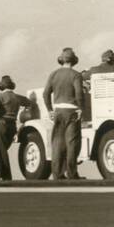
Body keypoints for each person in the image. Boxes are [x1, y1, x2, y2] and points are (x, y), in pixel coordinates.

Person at [43, 48, 84, 181]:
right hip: (72, 111)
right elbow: (79, 93)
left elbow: (45, 93)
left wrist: (49, 110)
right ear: (73, 61)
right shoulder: (76, 75)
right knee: (72, 143)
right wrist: (81, 108)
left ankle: (57, 175)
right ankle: (72, 174)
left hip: (58, 111)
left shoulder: (54, 74)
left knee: (57, 144)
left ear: (62, 60)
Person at [0, 75, 29, 182]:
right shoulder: (17, 97)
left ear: (1, 86)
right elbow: (29, 102)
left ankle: (5, 175)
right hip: (13, 126)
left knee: (0, 150)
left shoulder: (0, 96)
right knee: (0, 150)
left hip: (2, 124)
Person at [81, 49, 114, 122]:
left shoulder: (93, 70)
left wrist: (86, 85)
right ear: (113, 60)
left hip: (98, 105)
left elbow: (79, 77)